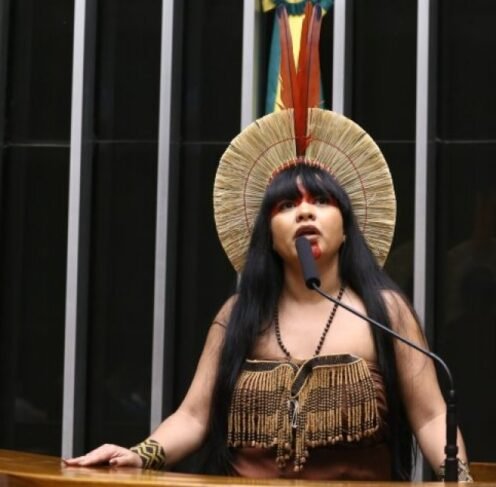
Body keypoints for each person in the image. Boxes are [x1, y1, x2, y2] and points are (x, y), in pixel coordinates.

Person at [65, 103, 471, 480]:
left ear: (346, 228)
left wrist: (461, 480)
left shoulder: (386, 312)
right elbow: (193, 417)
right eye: (287, 205)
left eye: (322, 200)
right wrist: (139, 455)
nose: (305, 211)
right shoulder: (239, 314)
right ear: (270, 236)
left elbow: (431, 417)